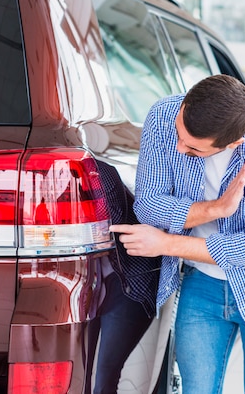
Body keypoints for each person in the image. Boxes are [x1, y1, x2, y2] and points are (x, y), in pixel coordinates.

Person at [110, 74, 245, 394]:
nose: (178, 146)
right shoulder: (162, 118)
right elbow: (148, 207)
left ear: (233, 143)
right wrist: (214, 209)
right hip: (201, 285)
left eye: (193, 148)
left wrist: (166, 243)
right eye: (180, 134)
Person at [86, 160, 161, 394]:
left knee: (104, 377)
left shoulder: (98, 173)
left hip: (129, 284)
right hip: (90, 281)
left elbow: (112, 220)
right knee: (83, 376)